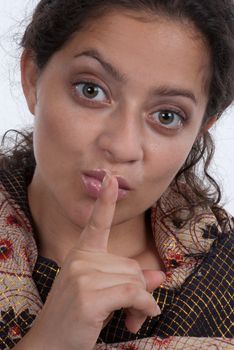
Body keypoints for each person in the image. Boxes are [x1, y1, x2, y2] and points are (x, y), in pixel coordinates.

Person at [0, 0, 233, 349]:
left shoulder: (223, 284)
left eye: (167, 116)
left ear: (199, 132)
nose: (122, 146)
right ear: (32, 77)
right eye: (91, 90)